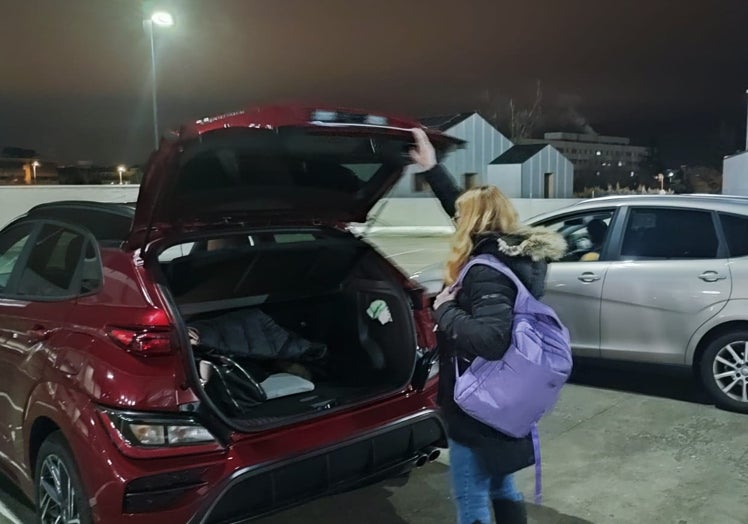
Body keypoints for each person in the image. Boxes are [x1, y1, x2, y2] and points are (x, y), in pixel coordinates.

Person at [409, 128, 566, 524]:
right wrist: (432, 169)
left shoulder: (486, 272)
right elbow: (461, 212)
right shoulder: (511, 254)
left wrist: (445, 310)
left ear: (474, 222)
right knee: (500, 486)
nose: (457, 221)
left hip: (479, 407)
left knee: (471, 498)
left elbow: (492, 339)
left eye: (462, 217)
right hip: (506, 400)